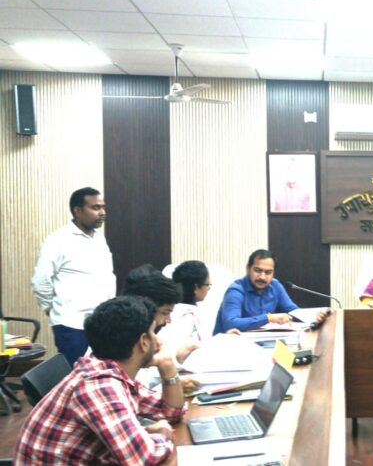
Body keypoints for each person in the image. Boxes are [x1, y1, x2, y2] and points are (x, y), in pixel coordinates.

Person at [15, 296, 185, 465]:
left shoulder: (109, 372)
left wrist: (167, 366)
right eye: (154, 332)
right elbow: (142, 459)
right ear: (144, 342)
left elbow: (171, 413)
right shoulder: (99, 386)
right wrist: (161, 437)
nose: (159, 341)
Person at [31, 187, 116, 366]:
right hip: (72, 323)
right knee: (76, 373)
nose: (102, 212)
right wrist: (51, 309)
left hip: (101, 321)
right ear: (78, 211)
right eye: (95, 208)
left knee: (99, 372)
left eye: (103, 207)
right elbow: (41, 281)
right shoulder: (58, 240)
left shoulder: (99, 238)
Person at [213, 249, 327, 333]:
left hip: (262, 343)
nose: (262, 277)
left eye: (268, 272)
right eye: (258, 270)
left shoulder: (275, 285)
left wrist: (313, 318)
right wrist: (269, 318)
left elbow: (292, 312)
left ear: (273, 273)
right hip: (230, 347)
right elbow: (231, 324)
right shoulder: (236, 290)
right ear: (248, 268)